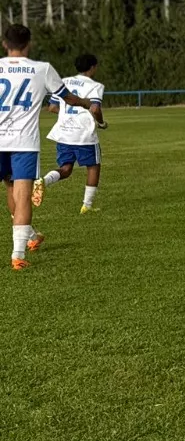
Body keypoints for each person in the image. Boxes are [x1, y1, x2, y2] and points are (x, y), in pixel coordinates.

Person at [0, 25, 98, 268]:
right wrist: (86, 104)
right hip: (23, 142)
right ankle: (18, 255)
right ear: (29, 43)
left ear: (4, 44)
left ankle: (31, 237)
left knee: (10, 187)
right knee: (22, 194)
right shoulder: (42, 69)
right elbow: (68, 98)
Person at [35, 53, 107, 214]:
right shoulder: (95, 86)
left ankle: (43, 181)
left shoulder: (64, 82)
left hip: (64, 133)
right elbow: (95, 109)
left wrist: (67, 115)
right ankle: (87, 206)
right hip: (83, 134)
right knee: (93, 166)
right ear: (93, 67)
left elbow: (52, 107)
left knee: (66, 168)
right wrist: (101, 123)